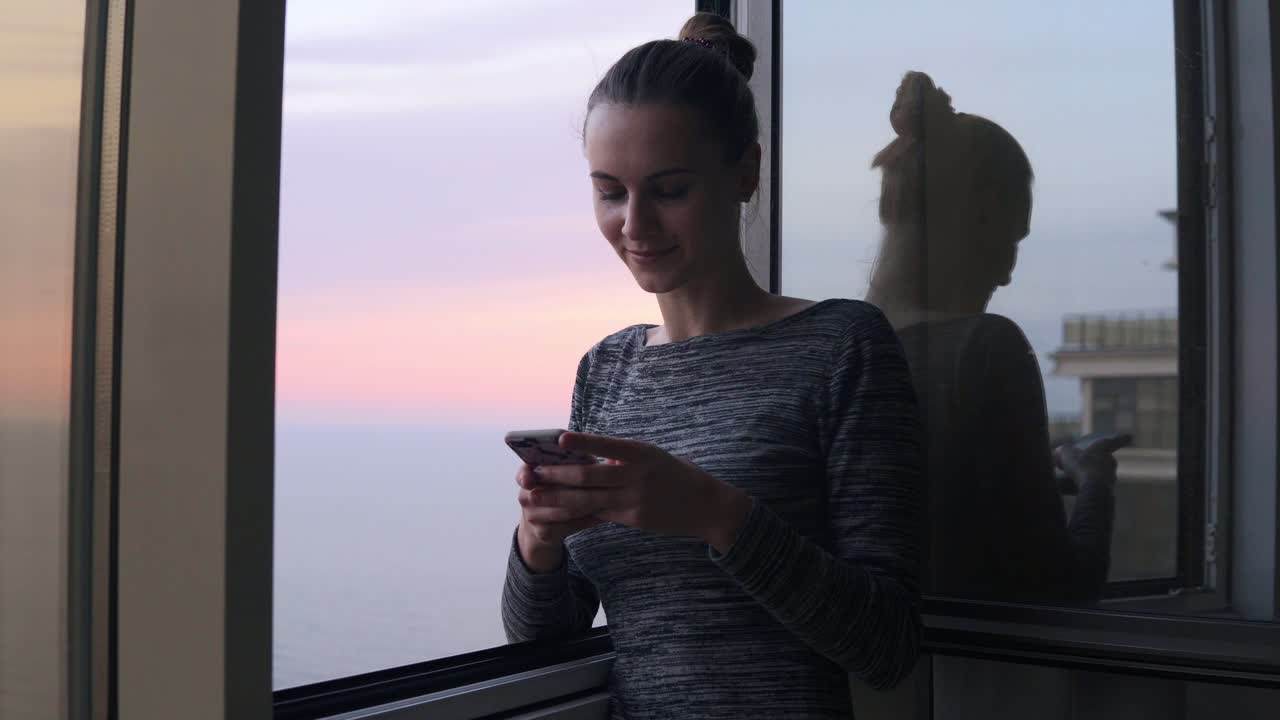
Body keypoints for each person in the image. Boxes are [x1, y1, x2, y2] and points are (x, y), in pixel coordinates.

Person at [500, 13, 925, 719]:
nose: (634, 226)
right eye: (610, 191)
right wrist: (536, 542)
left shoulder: (843, 347)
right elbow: (546, 636)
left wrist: (717, 516)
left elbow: (888, 643)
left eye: (668, 190)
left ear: (747, 171)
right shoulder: (606, 369)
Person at [864, 71, 1129, 605]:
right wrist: (1095, 483)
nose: (1007, 272)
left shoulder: (840, 351)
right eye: (1012, 239)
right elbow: (1061, 590)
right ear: (978, 226)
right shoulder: (986, 351)